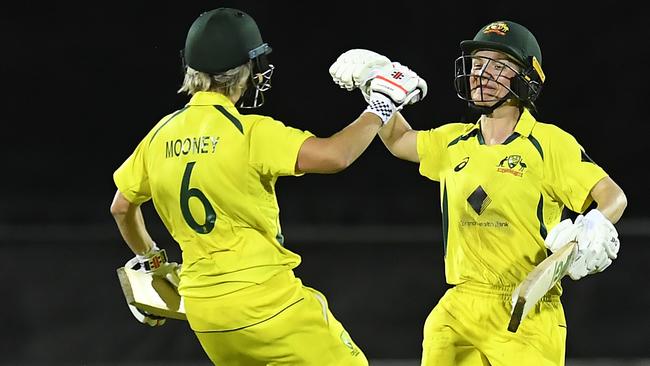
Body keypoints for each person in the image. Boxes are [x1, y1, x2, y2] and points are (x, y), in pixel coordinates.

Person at [109, 7, 426, 365]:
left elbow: (121, 207)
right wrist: (380, 107)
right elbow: (335, 155)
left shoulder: (159, 134)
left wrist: (150, 262)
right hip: (268, 304)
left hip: (206, 315)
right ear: (246, 70)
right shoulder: (249, 132)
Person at [329, 20, 627, 365]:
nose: (482, 73)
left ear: (526, 79)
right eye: (477, 63)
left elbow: (613, 196)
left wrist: (596, 223)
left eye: (498, 65)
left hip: (526, 313)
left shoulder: (550, 144)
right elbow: (398, 141)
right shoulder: (454, 141)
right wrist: (376, 86)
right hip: (457, 310)